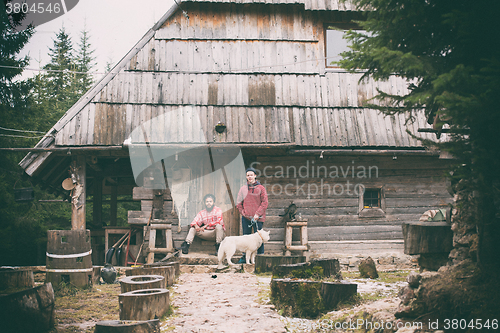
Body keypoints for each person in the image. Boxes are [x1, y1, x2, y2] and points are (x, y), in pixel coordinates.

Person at [236, 167, 269, 263]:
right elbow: (239, 203)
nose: (249, 177)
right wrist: (244, 213)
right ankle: (244, 257)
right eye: (248, 175)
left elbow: (265, 203)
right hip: (246, 218)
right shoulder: (243, 189)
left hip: (258, 218)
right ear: (246, 177)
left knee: (259, 238)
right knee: (245, 238)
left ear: (255, 176)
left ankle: (260, 258)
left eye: (251, 175)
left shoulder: (261, 188)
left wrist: (257, 214)